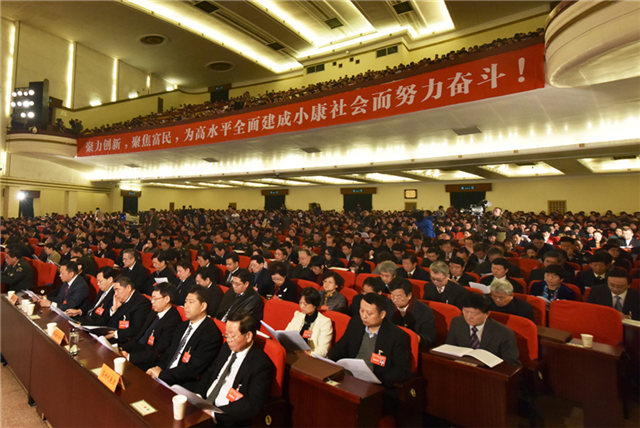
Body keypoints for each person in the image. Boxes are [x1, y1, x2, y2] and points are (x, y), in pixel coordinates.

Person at [185, 310, 273, 427]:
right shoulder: (227, 347)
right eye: (227, 334)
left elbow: (252, 404)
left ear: (248, 336)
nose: (228, 339)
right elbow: (211, 372)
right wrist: (199, 396)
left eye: (233, 336)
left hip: (226, 419)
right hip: (204, 406)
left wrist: (215, 414)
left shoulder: (260, 365)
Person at [328, 293, 412, 390]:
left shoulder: (396, 335)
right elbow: (340, 347)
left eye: (369, 313)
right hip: (351, 377)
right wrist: (329, 361)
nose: (364, 316)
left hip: (377, 384)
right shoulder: (356, 323)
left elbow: (402, 370)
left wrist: (378, 379)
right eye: (361, 310)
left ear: (382, 314)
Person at [147, 287, 223, 386]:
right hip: (165, 374)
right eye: (186, 301)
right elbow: (169, 352)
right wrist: (157, 368)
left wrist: (162, 375)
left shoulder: (210, 334)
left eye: (191, 302)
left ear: (203, 306)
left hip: (182, 383)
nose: (186, 306)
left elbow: (192, 369)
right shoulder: (183, 326)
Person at [120, 282, 183, 370]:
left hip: (149, 360)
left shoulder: (172, 321)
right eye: (152, 298)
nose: (152, 301)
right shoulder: (154, 313)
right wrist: (121, 348)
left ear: (167, 299)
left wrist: (130, 357)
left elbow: (157, 352)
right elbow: (140, 337)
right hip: (138, 349)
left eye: (155, 299)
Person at [446, 293, 520, 365]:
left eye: (474, 313)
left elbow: (511, 364)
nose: (468, 317)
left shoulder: (504, 333)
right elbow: (449, 348)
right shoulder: (457, 322)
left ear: (487, 314)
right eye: (466, 311)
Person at [388, 278, 436, 350]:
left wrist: (415, 338)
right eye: (392, 295)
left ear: (409, 295)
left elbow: (429, 338)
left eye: (399, 296)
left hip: (413, 348)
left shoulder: (425, 311)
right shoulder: (386, 306)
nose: (395, 299)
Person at [285, 287, 333, 357]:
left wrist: (309, 354)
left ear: (315, 305)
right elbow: (286, 334)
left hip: (311, 357)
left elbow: (323, 351)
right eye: (300, 303)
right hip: (294, 352)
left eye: (305, 304)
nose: (302, 306)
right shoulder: (298, 315)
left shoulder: (325, 322)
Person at [104, 276, 152, 346]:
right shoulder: (118, 299)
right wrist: (114, 309)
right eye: (114, 291)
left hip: (123, 341)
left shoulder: (141, 302)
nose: (116, 294)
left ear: (128, 288)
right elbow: (105, 320)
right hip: (110, 335)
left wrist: (115, 334)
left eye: (117, 290)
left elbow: (136, 328)